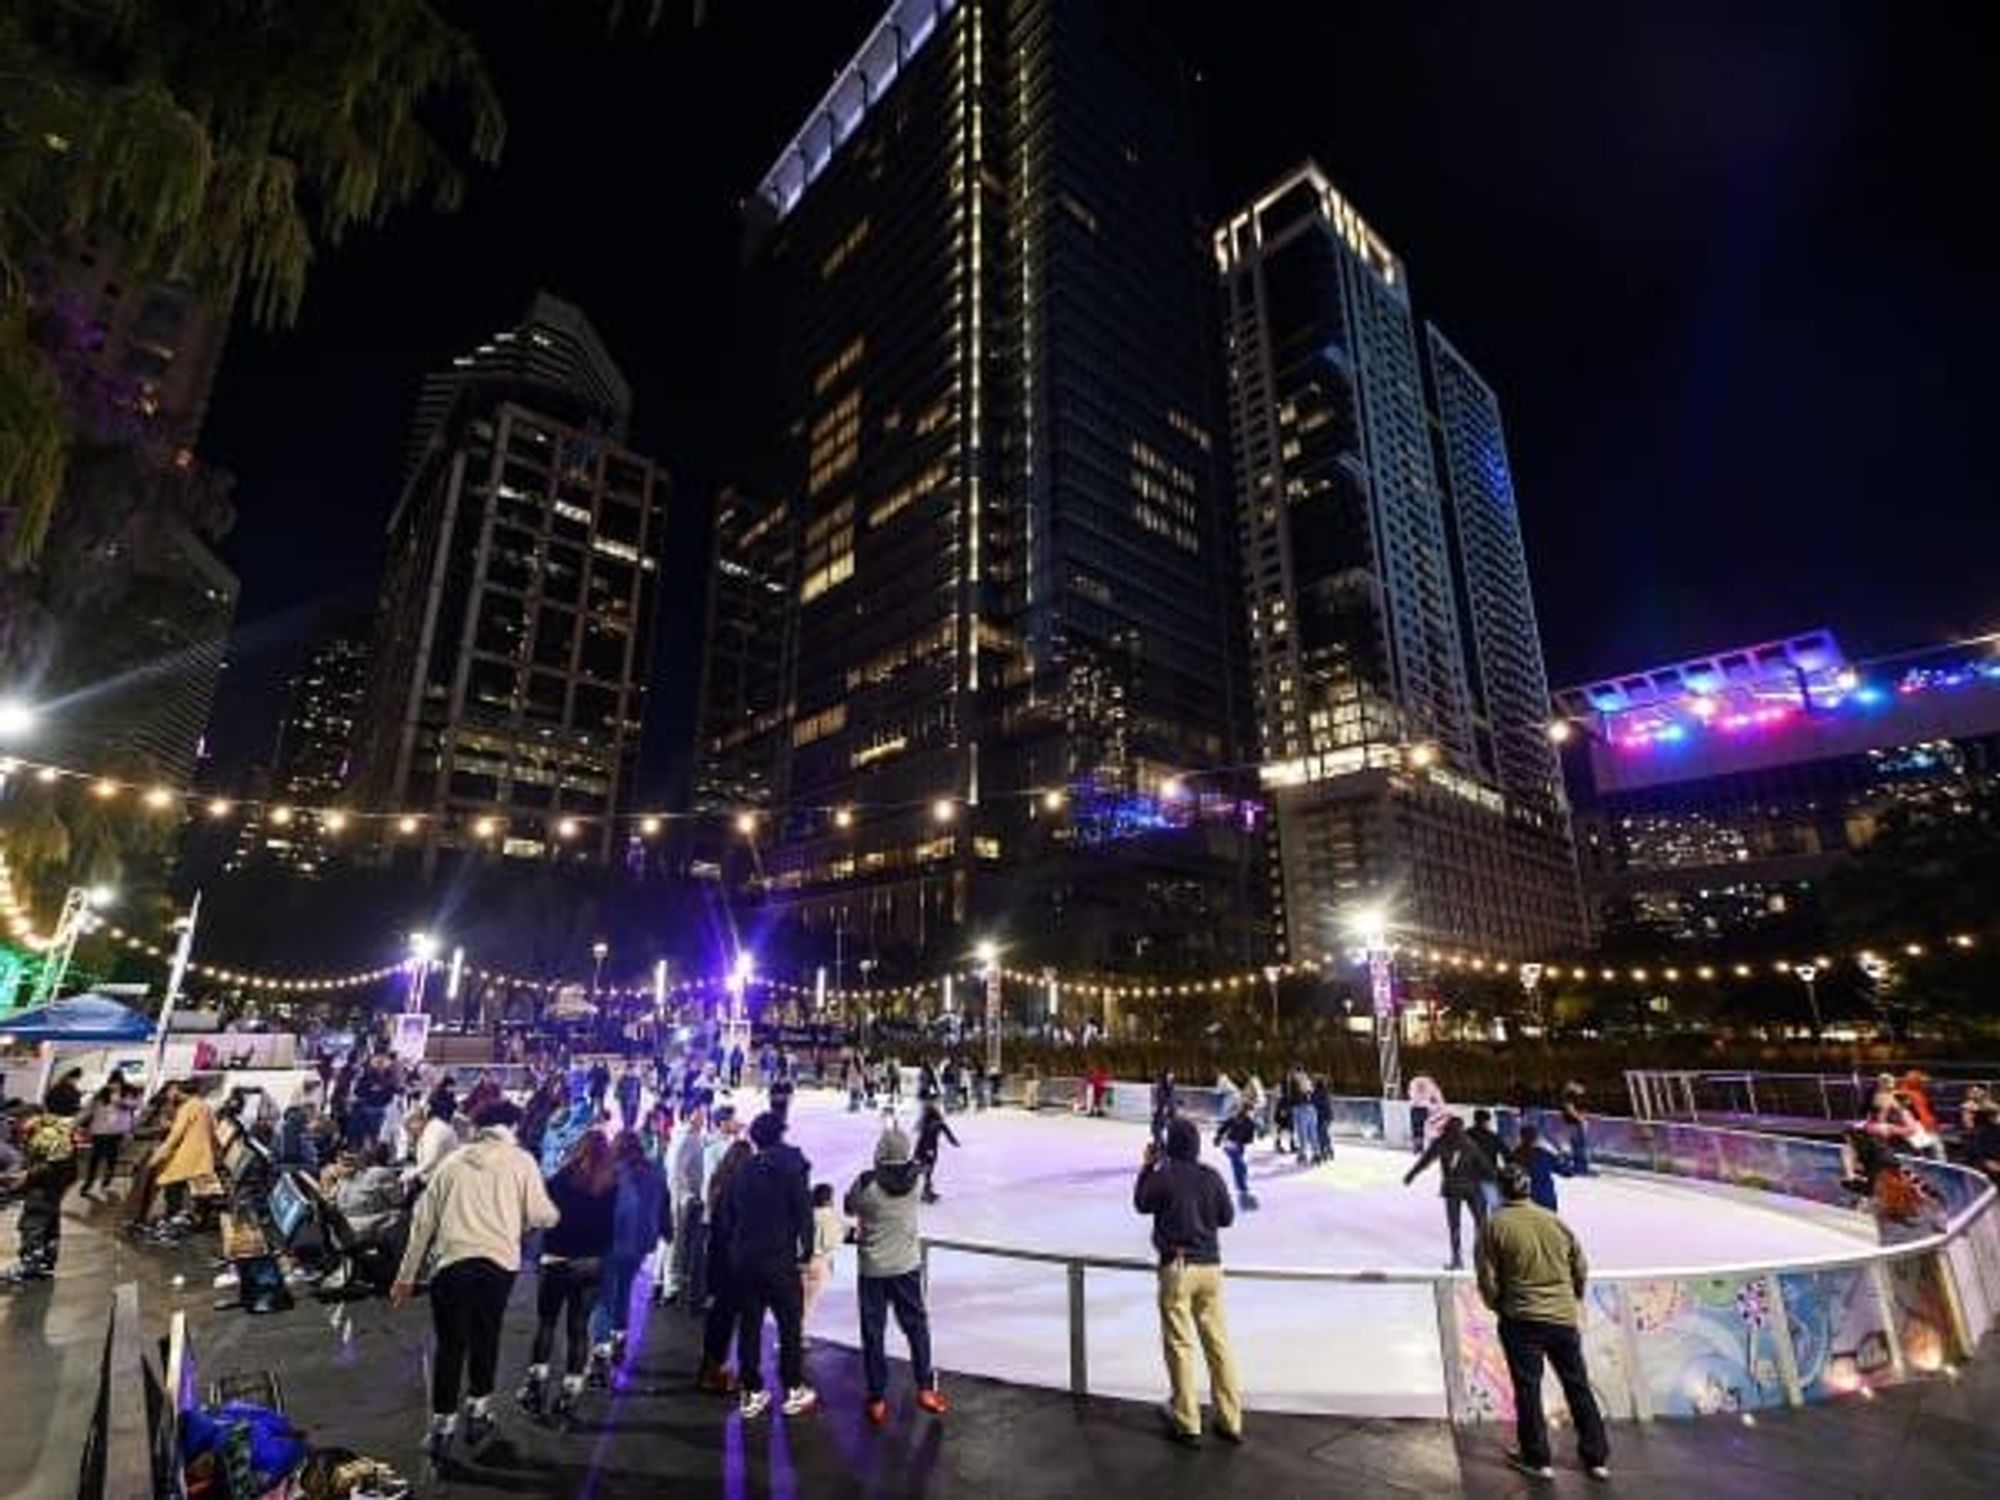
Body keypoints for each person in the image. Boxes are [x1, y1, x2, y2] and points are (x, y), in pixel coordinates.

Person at [392, 1100, 560, 1462]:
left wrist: (405, 1277)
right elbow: (543, 1214)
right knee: (487, 1336)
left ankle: (442, 1427)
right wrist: (529, 1220)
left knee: (451, 1345)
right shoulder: (522, 1161)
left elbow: (423, 1223)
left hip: (452, 1265)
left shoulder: (452, 1164)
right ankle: (479, 1413)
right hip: (498, 1265)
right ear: (510, 1127)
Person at [1474, 1165, 1610, 1481]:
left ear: (1502, 1190)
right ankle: (1596, 1457)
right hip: (1562, 1319)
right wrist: (1571, 1298)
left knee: (1528, 1389)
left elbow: (1486, 1277)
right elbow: (1580, 1265)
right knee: (1577, 1386)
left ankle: (1537, 1458)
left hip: (1521, 1320)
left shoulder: (1495, 1225)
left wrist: (1500, 1305)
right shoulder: (1554, 1221)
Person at [1134, 1117, 1242, 1448]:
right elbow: (1227, 1217)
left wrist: (1146, 1168)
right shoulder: (1211, 1176)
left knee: (1180, 1344)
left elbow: (1141, 1203)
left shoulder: (1165, 1175)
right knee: (1218, 1344)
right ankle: (1230, 1419)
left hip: (1179, 1267)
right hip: (1210, 1267)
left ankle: (1187, 1419)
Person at [847, 1124, 947, 1425]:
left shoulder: (867, 1184)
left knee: (873, 1332)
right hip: (906, 1267)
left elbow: (850, 1207)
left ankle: (877, 1398)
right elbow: (919, 1167)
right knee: (917, 1327)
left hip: (873, 1270)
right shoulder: (916, 1183)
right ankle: (926, 1388)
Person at [520, 1131, 617, 1422]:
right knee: (578, 1327)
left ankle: (536, 1386)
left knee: (547, 1323)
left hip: (557, 1260)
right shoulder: (612, 1186)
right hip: (592, 1263)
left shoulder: (560, 1180)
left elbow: (541, 1216)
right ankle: (569, 1394)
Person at [728, 1111, 817, 1419]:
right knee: (790, 1324)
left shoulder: (743, 1169)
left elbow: (732, 1213)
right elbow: (803, 1211)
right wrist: (806, 1251)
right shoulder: (792, 1166)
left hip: (745, 1259)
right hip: (779, 1259)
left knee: (750, 1326)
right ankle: (793, 1387)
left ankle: (751, 1390)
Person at [591, 1130, 669, 1380]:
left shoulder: (612, 1172)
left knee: (605, 1296)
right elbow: (663, 1204)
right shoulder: (655, 1171)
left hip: (613, 1240)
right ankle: (619, 1339)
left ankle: (600, 1355)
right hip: (641, 1242)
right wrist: (666, 1230)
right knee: (624, 1290)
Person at [1403, 1114, 1498, 1271]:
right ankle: (1484, 1260)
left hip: (1452, 1189)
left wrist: (1411, 1175)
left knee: (1455, 1226)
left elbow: (1424, 1161)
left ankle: (1457, 1259)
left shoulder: (1441, 1143)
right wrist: (1499, 1181)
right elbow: (1486, 1167)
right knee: (1481, 1224)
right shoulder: (1470, 1144)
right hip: (1472, 1190)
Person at [695, 1135, 752, 1393]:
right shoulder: (738, 1190)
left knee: (719, 1318)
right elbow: (734, 1230)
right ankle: (714, 1371)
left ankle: (711, 1367)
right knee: (728, 1319)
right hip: (732, 1264)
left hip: (717, 1259)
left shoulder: (719, 1183)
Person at [2, 1104, 81, 1282]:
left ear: (33, 1117)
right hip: (55, 1187)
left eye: (20, 1121)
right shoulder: (55, 1130)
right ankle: (45, 1263)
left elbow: (54, 1164)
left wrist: (27, 1175)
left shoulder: (47, 1134)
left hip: (46, 1187)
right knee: (49, 1225)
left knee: (32, 1224)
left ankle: (29, 1266)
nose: (18, 1125)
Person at [665, 1102, 708, 1308]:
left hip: (684, 1195)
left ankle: (669, 1281)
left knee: (677, 1239)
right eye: (699, 1115)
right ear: (689, 1115)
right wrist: (687, 1195)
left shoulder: (694, 1137)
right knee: (675, 1238)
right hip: (681, 1197)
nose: (703, 1119)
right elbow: (676, 1169)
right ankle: (670, 1285)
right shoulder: (686, 1138)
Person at [77, 1078, 138, 1196]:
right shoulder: (100, 1096)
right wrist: (74, 1124)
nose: (114, 1086)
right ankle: (88, 1183)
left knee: (111, 1156)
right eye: (112, 1083)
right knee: (95, 1158)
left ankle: (107, 1179)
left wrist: (119, 1101)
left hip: (115, 1133)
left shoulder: (126, 1096)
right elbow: (87, 1111)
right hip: (99, 1132)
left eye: (117, 1083)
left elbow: (135, 1106)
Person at [1511, 1124, 1575, 1213]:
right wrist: (1565, 1155)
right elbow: (1567, 1172)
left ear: (1520, 1138)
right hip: (1546, 1201)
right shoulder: (1543, 1155)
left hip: (1524, 1203)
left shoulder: (1514, 1155)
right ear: (1536, 1138)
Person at [803, 1182, 840, 1331]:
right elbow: (830, 1243)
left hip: (800, 1261)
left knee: (799, 1302)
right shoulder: (829, 1215)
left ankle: (792, 1337)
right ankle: (797, 1337)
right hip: (819, 1261)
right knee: (809, 1304)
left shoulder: (806, 1213)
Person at [1213, 1097, 1259, 1210]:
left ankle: (1242, 1189)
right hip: (1230, 1144)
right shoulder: (1236, 1118)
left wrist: (1259, 1132)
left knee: (1242, 1167)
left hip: (1239, 1146)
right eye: (1249, 1111)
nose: (1251, 1114)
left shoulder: (1251, 1123)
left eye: (1252, 1112)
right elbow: (1224, 1126)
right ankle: (1243, 1190)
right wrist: (1218, 1137)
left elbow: (1249, 1139)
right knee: (1239, 1164)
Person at [914, 1097, 960, 1204]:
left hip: (924, 1148)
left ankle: (926, 1191)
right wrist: (953, 1141)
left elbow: (945, 1129)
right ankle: (925, 1193)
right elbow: (942, 1130)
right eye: (936, 1103)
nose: (938, 1105)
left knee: (925, 1171)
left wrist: (953, 1141)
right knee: (926, 1171)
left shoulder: (928, 1118)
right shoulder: (932, 1118)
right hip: (928, 1149)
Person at [411, 1088, 461, 1184]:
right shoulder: (441, 1127)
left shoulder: (436, 1129)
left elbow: (431, 1160)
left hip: (434, 1181)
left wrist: (413, 1173)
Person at [1558, 1082, 1591, 1176]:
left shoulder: (1575, 1097)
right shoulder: (1569, 1096)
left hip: (1575, 1123)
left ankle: (1580, 1167)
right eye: (1581, 1089)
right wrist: (1581, 1119)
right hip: (1573, 1124)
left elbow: (1580, 1109)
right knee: (1578, 1146)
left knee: (1579, 1146)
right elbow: (1570, 1109)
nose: (1583, 1091)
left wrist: (1584, 1118)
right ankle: (1580, 1168)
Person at [1151, 1071, 1179, 1149]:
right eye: (1169, 1077)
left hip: (1168, 1112)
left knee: (1168, 1129)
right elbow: (1160, 1098)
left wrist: (1174, 1104)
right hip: (1162, 1111)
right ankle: (1159, 1144)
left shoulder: (1171, 1087)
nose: (1170, 1079)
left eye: (1172, 1078)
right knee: (1156, 1129)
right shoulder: (1161, 1088)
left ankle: (1168, 1145)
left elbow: (1171, 1098)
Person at [615, 1063, 643, 1134]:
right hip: (625, 1102)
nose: (631, 1072)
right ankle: (626, 1133)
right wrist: (621, 1096)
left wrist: (638, 1100)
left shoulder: (636, 1079)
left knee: (633, 1119)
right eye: (629, 1070)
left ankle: (631, 1132)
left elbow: (638, 1091)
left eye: (633, 1070)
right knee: (626, 1120)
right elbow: (617, 1092)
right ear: (626, 1070)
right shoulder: (622, 1080)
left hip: (634, 1102)